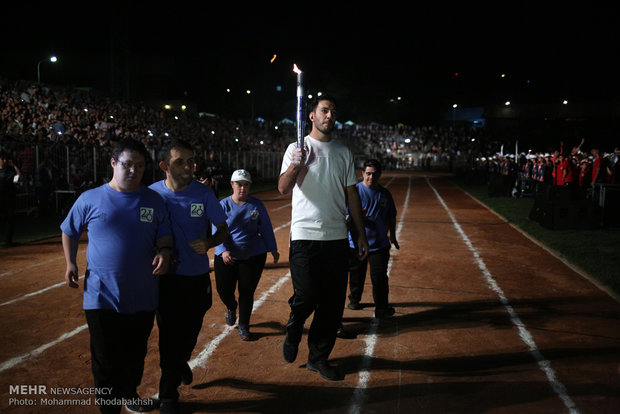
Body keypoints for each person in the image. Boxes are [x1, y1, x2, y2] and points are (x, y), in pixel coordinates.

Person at [61, 139, 173, 414]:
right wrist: (69, 262)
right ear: (113, 163)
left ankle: (130, 395)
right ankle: (109, 409)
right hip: (102, 295)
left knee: (135, 353)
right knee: (105, 358)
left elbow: (165, 236)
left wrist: (165, 252)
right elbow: (69, 230)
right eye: (127, 165)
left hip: (143, 293)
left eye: (140, 166)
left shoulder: (153, 200)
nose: (134, 171)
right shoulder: (90, 198)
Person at [278, 94, 369, 381]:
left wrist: (361, 234)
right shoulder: (297, 147)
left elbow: (351, 194)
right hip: (305, 236)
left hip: (337, 237)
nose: (330, 115)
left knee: (331, 305)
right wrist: (296, 164)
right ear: (312, 116)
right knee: (306, 295)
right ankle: (295, 326)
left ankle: (318, 358)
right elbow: (283, 187)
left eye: (333, 111)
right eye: (324, 110)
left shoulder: (343, 152)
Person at [149, 139, 229, 414]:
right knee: (169, 334)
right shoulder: (151, 195)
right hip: (165, 278)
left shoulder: (204, 194)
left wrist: (209, 243)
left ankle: (180, 362)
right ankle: (168, 394)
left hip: (196, 276)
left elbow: (223, 229)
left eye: (192, 160)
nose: (189, 166)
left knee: (191, 329)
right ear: (164, 166)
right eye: (181, 161)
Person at [214, 169, 279, 341]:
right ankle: (230, 306)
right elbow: (216, 229)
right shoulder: (223, 205)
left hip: (253, 256)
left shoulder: (256, 205)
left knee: (247, 292)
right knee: (223, 290)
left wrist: (272, 248)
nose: (242, 188)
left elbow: (265, 227)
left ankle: (244, 325)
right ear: (232, 185)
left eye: (246, 185)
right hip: (227, 256)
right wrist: (223, 250)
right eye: (239, 184)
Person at [346, 159, 399, 318]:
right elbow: (344, 216)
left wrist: (393, 236)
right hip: (356, 244)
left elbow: (391, 216)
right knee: (356, 275)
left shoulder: (385, 194)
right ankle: (354, 300)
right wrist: (354, 217)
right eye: (368, 173)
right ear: (362, 174)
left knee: (380, 278)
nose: (371, 177)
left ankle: (381, 307)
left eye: (374, 174)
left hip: (379, 244)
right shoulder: (354, 192)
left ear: (380, 175)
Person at [0, 151, 21, 247]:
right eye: (2, 159)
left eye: (5, 159)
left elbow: (18, 178)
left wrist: (14, 166)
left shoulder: (9, 170)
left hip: (9, 197)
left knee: (10, 218)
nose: (4, 161)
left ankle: (8, 240)